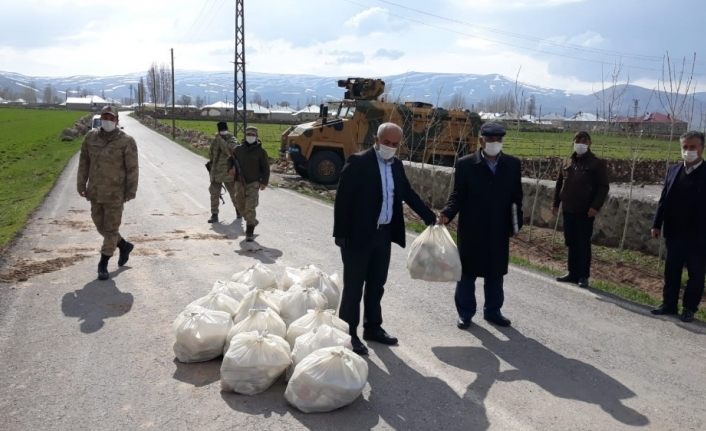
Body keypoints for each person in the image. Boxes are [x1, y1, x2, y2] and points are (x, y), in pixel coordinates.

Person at [334, 122, 436, 355]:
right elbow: (343, 200)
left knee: (377, 284)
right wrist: (340, 234)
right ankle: (347, 334)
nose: (391, 147)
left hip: (384, 234)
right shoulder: (358, 162)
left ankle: (373, 328)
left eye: (395, 144)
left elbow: (407, 193)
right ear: (376, 140)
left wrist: (430, 217)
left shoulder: (396, 166)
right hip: (357, 236)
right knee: (353, 288)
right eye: (387, 143)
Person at [438, 122, 523, 329]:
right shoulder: (466, 164)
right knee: (467, 273)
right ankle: (465, 313)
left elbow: (516, 198)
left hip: (498, 228)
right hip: (472, 228)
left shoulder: (512, 164)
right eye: (490, 139)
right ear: (481, 140)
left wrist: (516, 225)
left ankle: (493, 311)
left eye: (498, 139)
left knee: (495, 272)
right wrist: (447, 213)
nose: (494, 143)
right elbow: (458, 195)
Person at [77, 105, 138, 280]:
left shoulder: (126, 141)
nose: (108, 121)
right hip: (95, 191)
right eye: (105, 117)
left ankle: (103, 263)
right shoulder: (90, 137)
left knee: (111, 229)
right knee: (100, 226)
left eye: (111, 118)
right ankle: (124, 245)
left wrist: (131, 189)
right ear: (100, 118)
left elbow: (132, 168)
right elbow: (84, 162)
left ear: (117, 120)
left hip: (115, 193)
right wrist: (81, 184)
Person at [650, 131, 706, 323]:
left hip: (699, 236)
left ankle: (689, 308)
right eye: (685, 147)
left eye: (693, 147)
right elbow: (664, 200)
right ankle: (669, 304)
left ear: (702, 148)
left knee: (696, 274)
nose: (688, 151)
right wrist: (657, 224)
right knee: (671, 271)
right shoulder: (674, 170)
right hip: (674, 232)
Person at [552, 131, 609, 289]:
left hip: (585, 211)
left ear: (590, 143)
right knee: (570, 241)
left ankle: (583, 275)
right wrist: (556, 203)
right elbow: (559, 183)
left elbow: (603, 187)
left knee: (583, 243)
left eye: (584, 140)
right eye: (577, 140)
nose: (580, 143)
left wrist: (595, 207)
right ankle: (572, 273)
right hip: (568, 209)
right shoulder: (568, 161)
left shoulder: (597, 163)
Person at [232, 126, 270, 242]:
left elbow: (266, 168)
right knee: (239, 204)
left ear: (256, 136)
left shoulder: (261, 152)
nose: (250, 136)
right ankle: (252, 221)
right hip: (239, 183)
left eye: (253, 135)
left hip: (253, 183)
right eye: (248, 134)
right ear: (245, 135)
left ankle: (249, 232)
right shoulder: (238, 149)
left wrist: (264, 182)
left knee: (250, 207)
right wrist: (230, 168)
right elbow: (231, 160)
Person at [207, 121, 239, 224]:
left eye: (224, 130)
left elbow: (229, 151)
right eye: (221, 131)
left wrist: (220, 139)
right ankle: (214, 215)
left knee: (234, 194)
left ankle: (239, 211)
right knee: (214, 194)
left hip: (228, 172)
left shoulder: (232, 139)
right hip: (216, 172)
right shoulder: (216, 140)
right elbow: (211, 153)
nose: (222, 132)